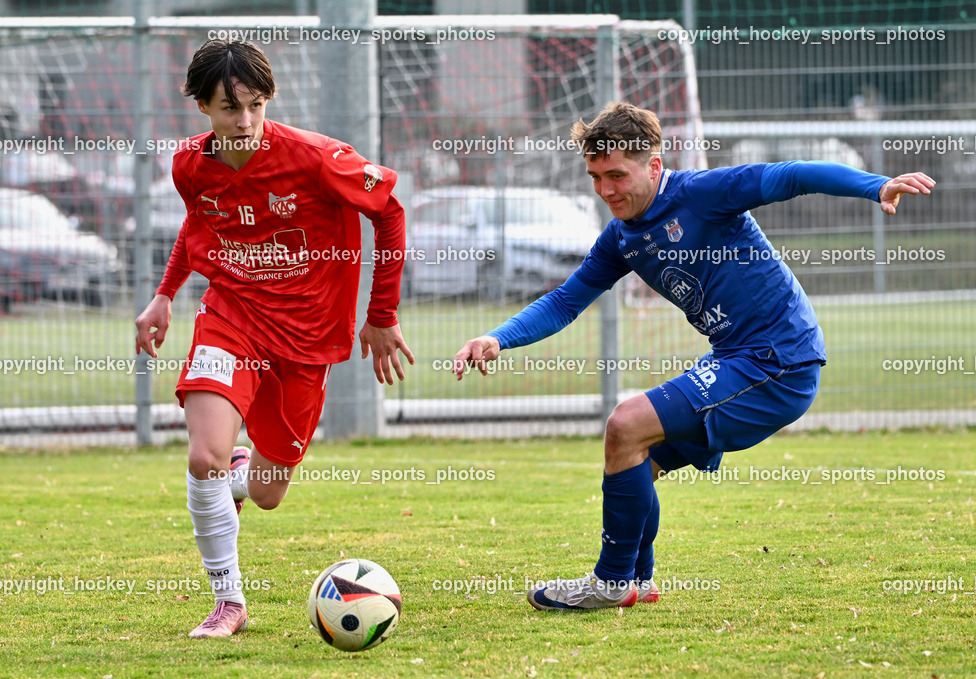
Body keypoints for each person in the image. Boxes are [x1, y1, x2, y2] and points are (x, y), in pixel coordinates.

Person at [452, 102, 934, 611]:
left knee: (625, 425)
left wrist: (875, 186)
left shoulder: (702, 194)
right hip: (738, 358)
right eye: (595, 176)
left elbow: (792, 175)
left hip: (776, 362)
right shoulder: (621, 238)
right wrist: (498, 338)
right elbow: (564, 301)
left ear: (653, 165)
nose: (606, 189)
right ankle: (637, 579)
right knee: (634, 458)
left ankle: (609, 583)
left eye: (617, 174)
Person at [134, 39, 414, 637]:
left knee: (266, 494)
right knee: (202, 457)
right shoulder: (188, 164)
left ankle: (244, 469)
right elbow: (199, 221)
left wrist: (382, 313)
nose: (245, 121)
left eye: (255, 105)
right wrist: (164, 294)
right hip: (229, 315)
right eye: (229, 108)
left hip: (307, 339)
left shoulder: (316, 158)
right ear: (202, 108)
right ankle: (228, 603)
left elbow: (388, 211)